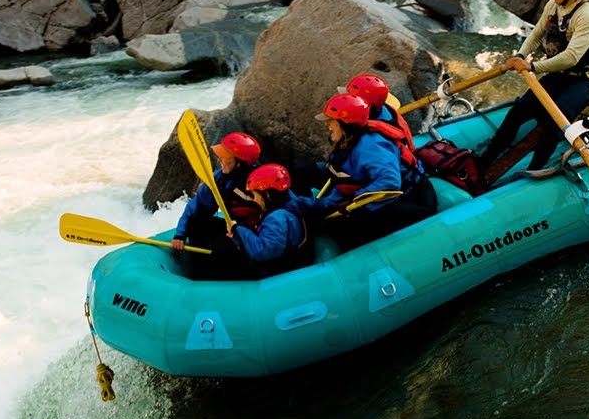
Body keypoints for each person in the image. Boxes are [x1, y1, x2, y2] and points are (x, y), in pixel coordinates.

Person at [476, 0, 589, 172]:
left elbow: (572, 57)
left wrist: (533, 67)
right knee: (519, 110)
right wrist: (521, 55)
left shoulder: (587, 14)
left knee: (553, 122)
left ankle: (535, 169)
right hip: (562, 73)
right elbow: (537, 33)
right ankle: (485, 160)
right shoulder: (554, 5)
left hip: (588, 78)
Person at [291, 93, 436, 248]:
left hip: (414, 200)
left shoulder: (370, 146)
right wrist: (324, 204)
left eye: (331, 121)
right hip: (389, 193)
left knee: (342, 230)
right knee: (323, 216)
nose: (327, 126)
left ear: (345, 123)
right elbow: (346, 181)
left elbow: (390, 182)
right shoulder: (348, 143)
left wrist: (355, 200)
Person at [170, 131, 266, 279]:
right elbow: (196, 208)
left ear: (239, 162)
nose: (219, 158)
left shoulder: (262, 179)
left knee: (224, 251)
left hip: (257, 234)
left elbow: (284, 207)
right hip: (234, 229)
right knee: (196, 223)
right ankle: (201, 275)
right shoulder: (219, 180)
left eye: (225, 156)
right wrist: (180, 234)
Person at [227, 164, 313, 277]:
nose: (254, 200)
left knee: (223, 255)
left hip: (276, 272)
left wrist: (238, 230)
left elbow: (263, 251)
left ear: (267, 195)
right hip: (283, 260)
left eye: (255, 195)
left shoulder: (276, 218)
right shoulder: (290, 203)